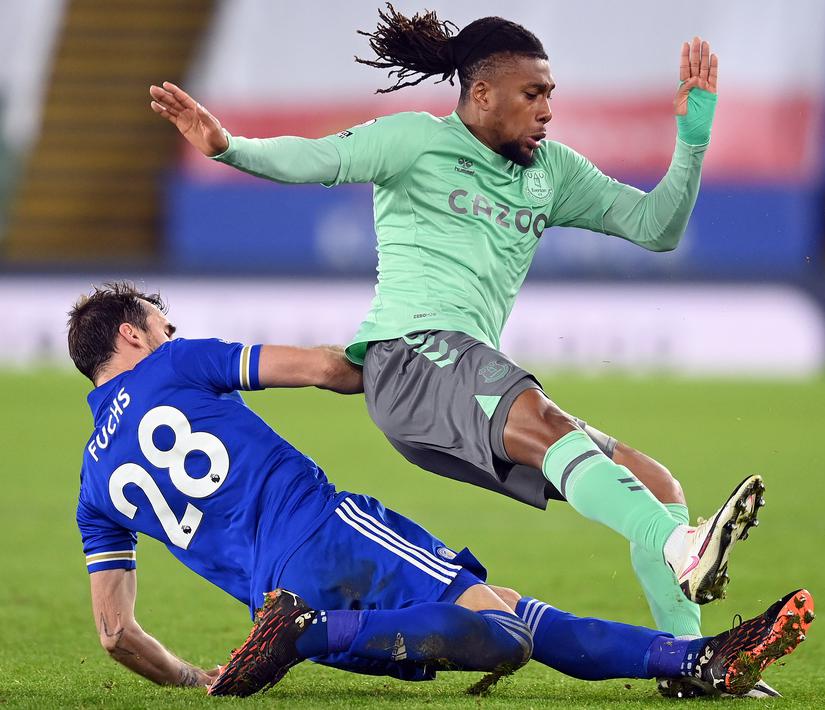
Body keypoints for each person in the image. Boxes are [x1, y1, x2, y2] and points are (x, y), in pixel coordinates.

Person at [148, 7, 757, 693]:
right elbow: (316, 160)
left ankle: (690, 661)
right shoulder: (414, 140)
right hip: (412, 355)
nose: (547, 110)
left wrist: (692, 139)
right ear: (482, 93)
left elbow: (655, 228)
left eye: (551, 94)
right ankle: (683, 549)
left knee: (656, 486)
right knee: (545, 419)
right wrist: (228, 146)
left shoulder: (550, 172)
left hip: (455, 382)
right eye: (533, 94)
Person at [70, 282, 813, 699]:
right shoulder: (177, 365)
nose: (171, 336)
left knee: (506, 617)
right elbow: (325, 370)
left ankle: (692, 660)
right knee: (505, 630)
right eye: (163, 327)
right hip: (331, 536)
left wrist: (194, 679)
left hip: (275, 596)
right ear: (132, 336)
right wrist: (407, 374)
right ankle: (304, 634)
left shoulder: (93, 486)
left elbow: (115, 634)